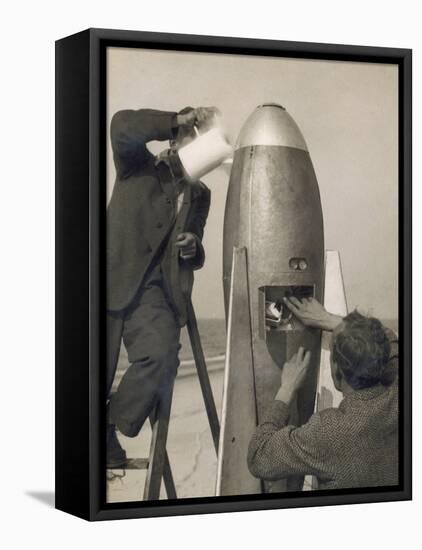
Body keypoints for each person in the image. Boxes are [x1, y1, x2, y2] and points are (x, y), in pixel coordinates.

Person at [106, 106, 217, 467]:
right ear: (175, 140)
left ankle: (106, 425)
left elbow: (196, 238)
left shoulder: (201, 195)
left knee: (163, 355)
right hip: (102, 285)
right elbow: (121, 126)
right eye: (190, 139)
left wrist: (192, 246)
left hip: (153, 296)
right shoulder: (136, 164)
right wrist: (173, 119)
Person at [247, 296, 399, 490]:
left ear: (336, 370)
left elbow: (258, 457)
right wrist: (328, 320)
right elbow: (389, 337)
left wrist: (286, 389)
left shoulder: (328, 432)